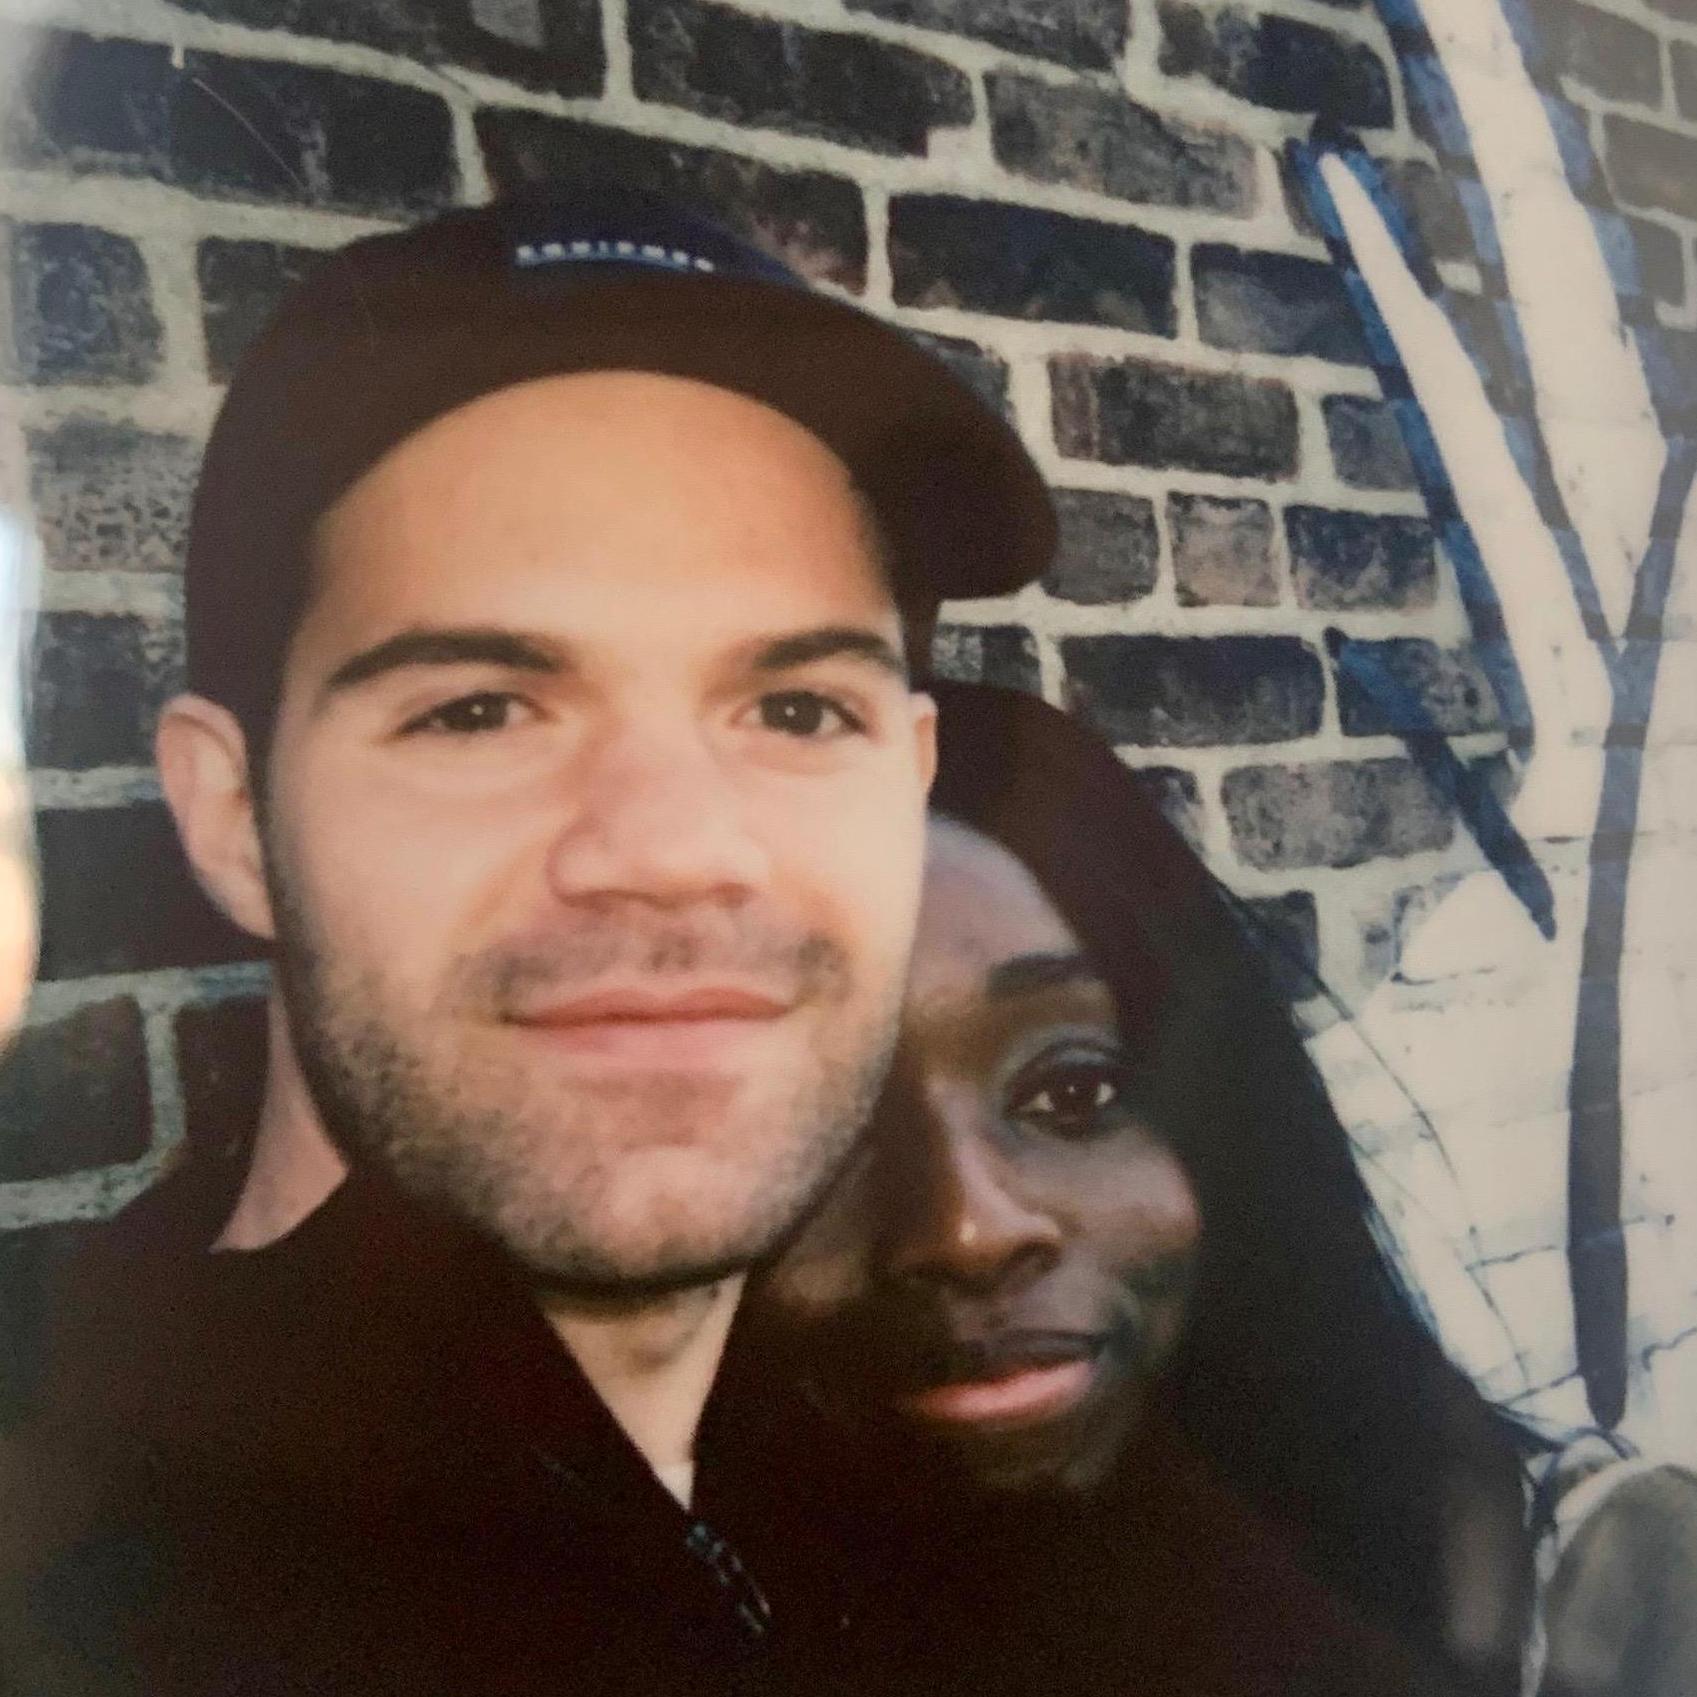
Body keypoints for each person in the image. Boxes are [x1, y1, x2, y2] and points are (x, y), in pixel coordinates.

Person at [0, 188, 1054, 1697]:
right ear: (232, 819)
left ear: (913, 779)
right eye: (478, 709)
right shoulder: (76, 1572)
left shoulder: (988, 1480)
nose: (673, 847)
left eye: (798, 708)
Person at [734, 680, 1542, 1697]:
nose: (969, 1227)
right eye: (813, 1128)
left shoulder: (1589, 1606)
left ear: (1221, 1121)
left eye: (1071, 1091)